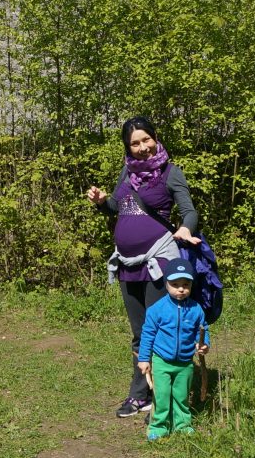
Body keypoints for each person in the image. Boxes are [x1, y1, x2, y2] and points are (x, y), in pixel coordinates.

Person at [86, 116, 202, 419]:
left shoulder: (170, 173)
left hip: (158, 261)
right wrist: (101, 202)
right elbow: (118, 206)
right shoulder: (127, 171)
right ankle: (141, 395)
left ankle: (163, 397)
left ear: (155, 137)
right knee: (140, 333)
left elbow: (189, 211)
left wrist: (186, 229)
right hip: (127, 264)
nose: (141, 148)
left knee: (159, 329)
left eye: (145, 140)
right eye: (134, 143)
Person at [137, 258, 210, 440]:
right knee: (161, 396)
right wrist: (144, 359)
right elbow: (147, 335)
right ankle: (159, 426)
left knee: (181, 396)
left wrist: (203, 344)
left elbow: (202, 328)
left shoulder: (196, 309)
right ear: (166, 283)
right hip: (162, 361)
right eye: (175, 284)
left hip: (185, 363)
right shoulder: (157, 309)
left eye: (185, 284)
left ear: (191, 285)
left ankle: (182, 425)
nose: (181, 289)